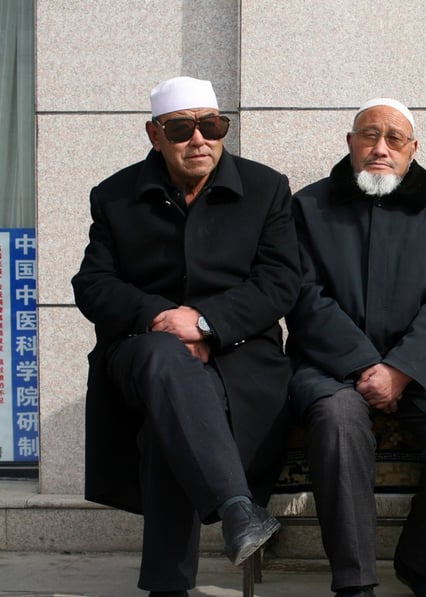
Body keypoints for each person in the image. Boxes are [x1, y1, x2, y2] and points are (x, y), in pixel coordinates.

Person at [71, 76, 300, 597]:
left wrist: (204, 323)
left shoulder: (266, 189)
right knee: (161, 360)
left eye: (211, 125)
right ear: (155, 135)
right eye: (181, 129)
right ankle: (238, 508)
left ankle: (167, 588)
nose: (199, 139)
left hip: (238, 359)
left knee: (167, 419)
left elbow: (281, 282)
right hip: (141, 351)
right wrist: (162, 317)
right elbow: (93, 284)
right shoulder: (115, 196)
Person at [285, 98, 426, 597]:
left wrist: (400, 370)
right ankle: (355, 582)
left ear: (413, 149)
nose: (380, 147)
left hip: (420, 369)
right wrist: (362, 364)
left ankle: (418, 562)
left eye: (394, 138)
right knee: (337, 421)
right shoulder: (308, 207)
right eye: (369, 136)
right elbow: (306, 298)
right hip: (329, 365)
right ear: (350, 143)